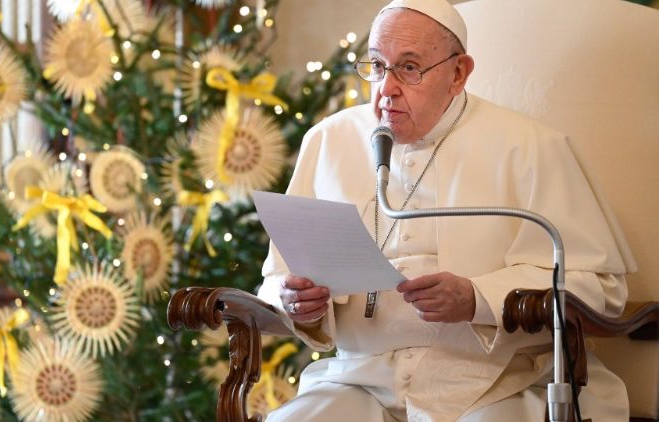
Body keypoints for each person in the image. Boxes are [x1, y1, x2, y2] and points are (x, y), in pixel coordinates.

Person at [256, 0, 634, 420]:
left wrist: (478, 298)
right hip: (362, 378)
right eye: (378, 66)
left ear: (458, 74)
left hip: (500, 380)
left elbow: (600, 290)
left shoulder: (529, 147)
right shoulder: (328, 140)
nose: (386, 89)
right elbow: (276, 277)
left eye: (410, 68)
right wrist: (295, 302)